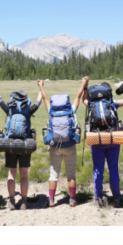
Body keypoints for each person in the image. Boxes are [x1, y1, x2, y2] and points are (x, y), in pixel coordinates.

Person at [77, 76, 123, 208]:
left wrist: (86, 86)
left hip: (97, 139)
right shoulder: (112, 103)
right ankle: (116, 196)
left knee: (98, 169)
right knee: (113, 169)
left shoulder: (92, 104)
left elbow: (84, 100)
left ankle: (98, 197)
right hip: (112, 138)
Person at [0, 83, 41, 210]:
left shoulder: (10, 109)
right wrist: (41, 87)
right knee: (24, 174)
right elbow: (39, 102)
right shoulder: (28, 110)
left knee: (11, 174)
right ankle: (23, 201)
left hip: (10, 144)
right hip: (25, 145)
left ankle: (12, 201)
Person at [35, 80, 80, 208]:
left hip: (55, 146)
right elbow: (79, 95)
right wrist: (83, 83)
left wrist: (41, 86)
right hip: (70, 145)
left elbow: (44, 97)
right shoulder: (71, 110)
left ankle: (51, 200)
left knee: (53, 174)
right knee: (71, 173)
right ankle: (72, 200)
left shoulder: (51, 111)